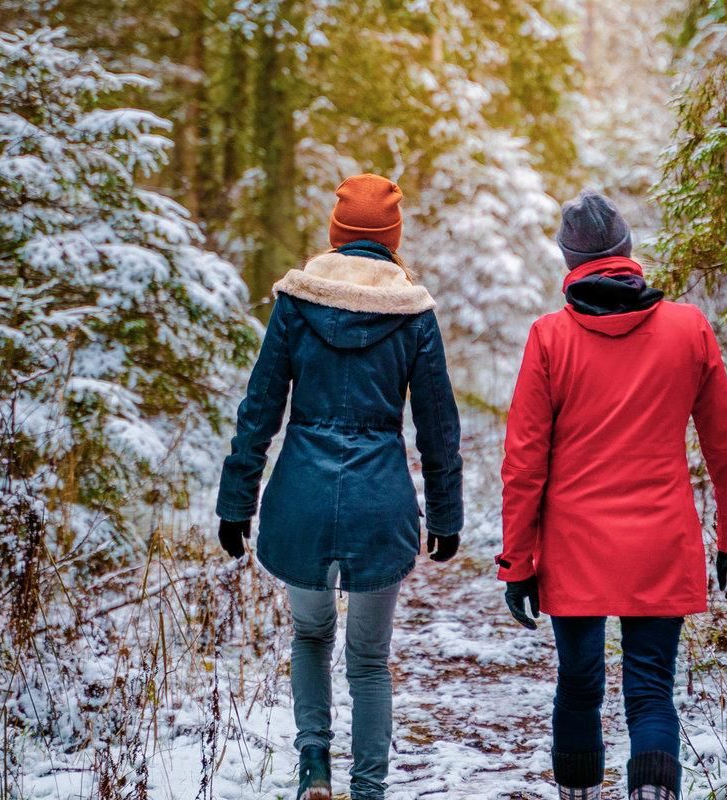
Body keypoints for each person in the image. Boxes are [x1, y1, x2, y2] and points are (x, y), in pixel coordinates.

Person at [497, 191, 727, 800]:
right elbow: (725, 449)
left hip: (574, 545)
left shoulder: (549, 338)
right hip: (658, 542)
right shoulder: (688, 329)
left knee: (580, 685)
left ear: (569, 261)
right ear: (627, 251)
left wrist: (517, 560)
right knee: (649, 690)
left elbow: (524, 462)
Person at [215, 173, 464, 800]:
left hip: (299, 493)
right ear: (391, 237)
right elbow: (437, 425)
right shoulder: (412, 311)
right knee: (370, 660)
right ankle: (370, 788)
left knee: (309, 634)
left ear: (337, 233)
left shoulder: (297, 302)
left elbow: (260, 407)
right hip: (380, 500)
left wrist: (236, 501)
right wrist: (445, 514)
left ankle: (314, 771)